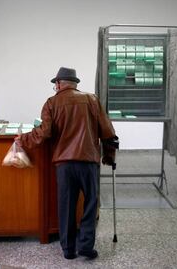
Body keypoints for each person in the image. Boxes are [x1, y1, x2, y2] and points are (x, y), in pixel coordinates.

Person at [15, 67, 116, 260]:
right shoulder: (92, 99)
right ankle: (86, 245)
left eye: (55, 84)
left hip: (64, 164)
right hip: (88, 161)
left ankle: (68, 249)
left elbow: (43, 133)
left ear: (59, 84)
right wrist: (109, 156)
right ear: (75, 84)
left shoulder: (52, 103)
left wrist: (24, 139)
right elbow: (108, 131)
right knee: (91, 202)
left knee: (66, 205)